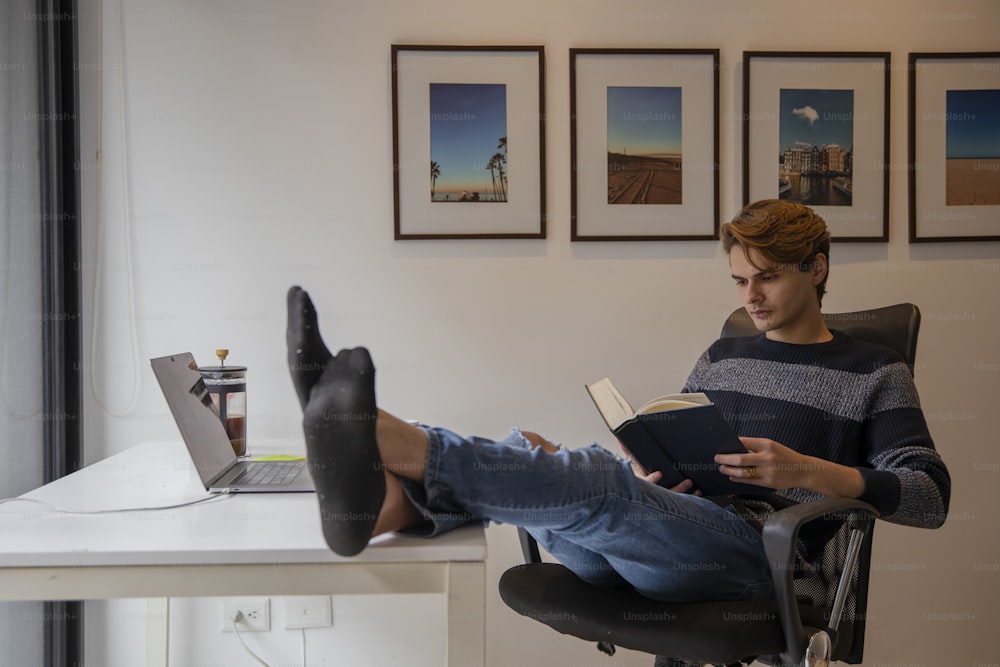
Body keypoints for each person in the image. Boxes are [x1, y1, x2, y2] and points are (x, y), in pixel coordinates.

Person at [285, 199, 950, 603]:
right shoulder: (725, 353)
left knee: (589, 483)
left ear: (819, 266)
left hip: (763, 562)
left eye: (767, 277)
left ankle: (385, 438)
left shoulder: (873, 369)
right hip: (669, 538)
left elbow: (929, 495)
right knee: (540, 452)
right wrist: (650, 471)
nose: (749, 296)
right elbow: (686, 448)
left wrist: (804, 471)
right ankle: (382, 504)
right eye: (740, 279)